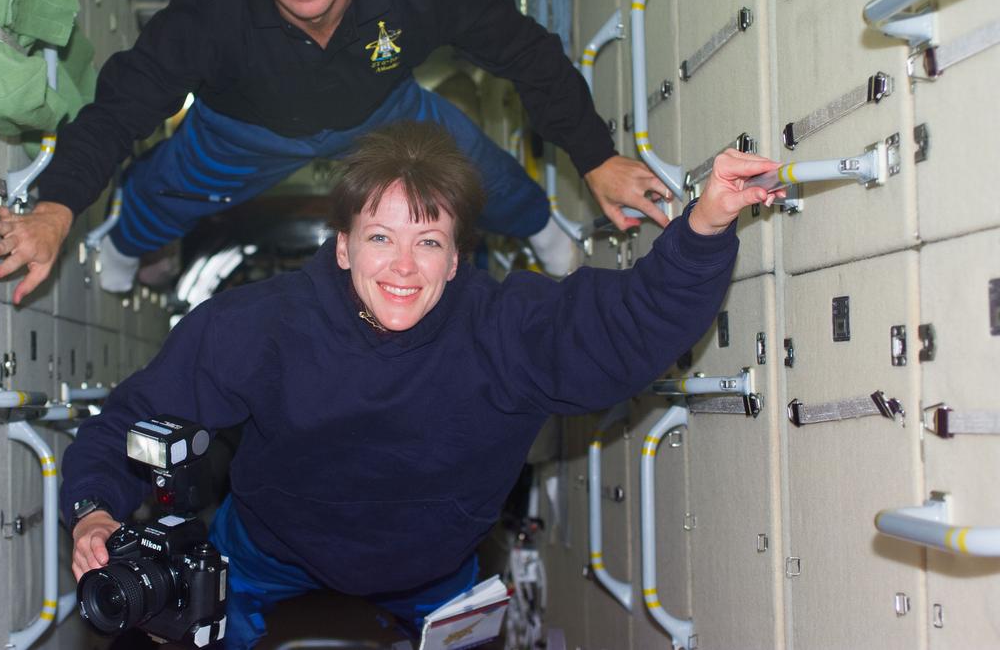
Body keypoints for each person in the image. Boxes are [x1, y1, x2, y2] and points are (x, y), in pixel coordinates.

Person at [61, 120, 783, 647]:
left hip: (432, 567)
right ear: (342, 246)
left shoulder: (504, 327)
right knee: (157, 630)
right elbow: (136, 416)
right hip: (267, 547)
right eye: (381, 237)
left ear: (455, 258)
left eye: (428, 241)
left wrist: (708, 221)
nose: (403, 266)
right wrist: (95, 509)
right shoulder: (259, 325)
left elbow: (630, 325)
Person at [0, 0, 671, 304]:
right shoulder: (213, 6)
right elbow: (121, 106)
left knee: (470, 164)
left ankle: (539, 225)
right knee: (168, 186)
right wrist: (56, 208)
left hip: (383, 110)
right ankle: (126, 246)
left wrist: (595, 157)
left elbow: (523, 50)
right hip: (242, 130)